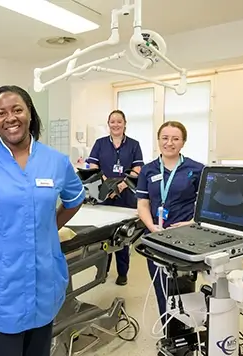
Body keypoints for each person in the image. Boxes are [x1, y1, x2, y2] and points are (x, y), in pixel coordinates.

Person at [0, 85, 85, 356]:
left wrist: (48, 228)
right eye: (1, 113)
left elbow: (74, 199)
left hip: (43, 282)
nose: (10, 118)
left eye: (17, 109)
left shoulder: (55, 161)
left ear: (30, 113)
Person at [135, 121, 204, 326]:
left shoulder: (197, 169)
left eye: (175, 138)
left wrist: (191, 224)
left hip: (186, 238)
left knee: (183, 289)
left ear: (183, 142)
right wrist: (152, 228)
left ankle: (185, 330)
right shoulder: (148, 170)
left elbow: (203, 206)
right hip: (157, 238)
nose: (169, 143)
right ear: (158, 140)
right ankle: (168, 334)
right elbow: (143, 204)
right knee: (161, 289)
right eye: (165, 138)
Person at [85, 109, 144, 286]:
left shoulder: (134, 145)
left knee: (122, 235)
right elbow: (93, 166)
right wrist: (106, 184)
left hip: (125, 196)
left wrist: (120, 186)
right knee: (102, 235)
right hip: (104, 194)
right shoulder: (100, 143)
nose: (116, 124)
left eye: (119, 121)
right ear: (108, 124)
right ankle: (101, 272)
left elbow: (137, 169)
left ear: (125, 123)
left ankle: (122, 273)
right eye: (112, 121)